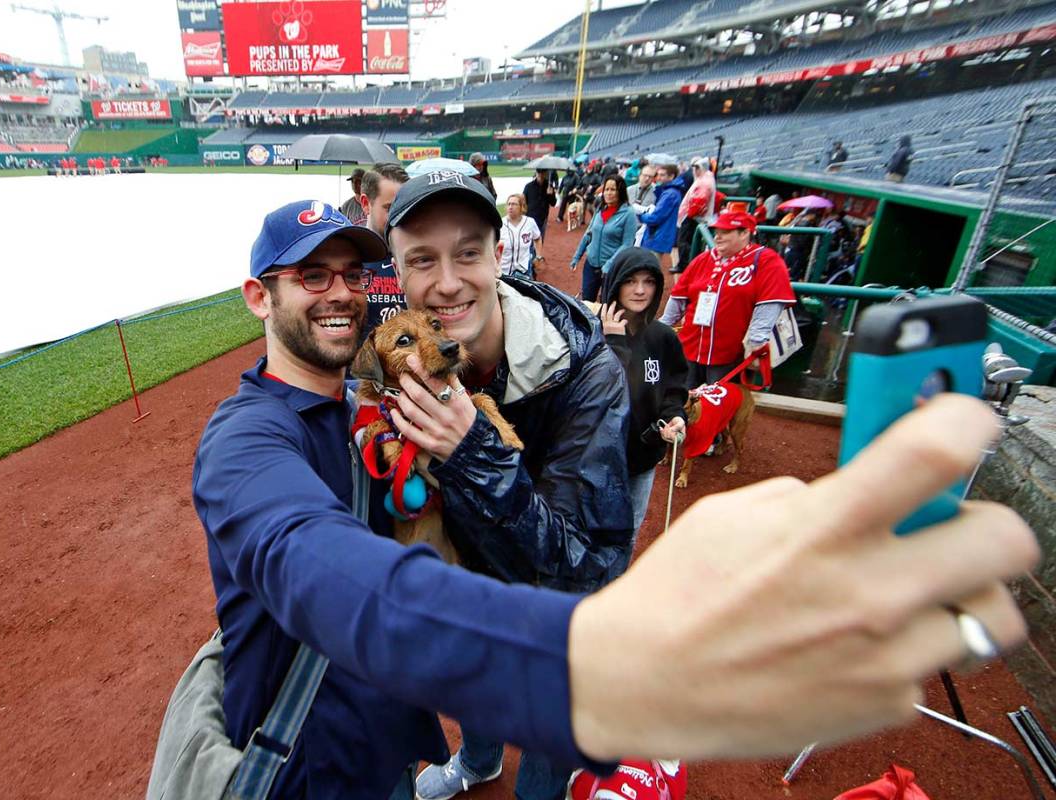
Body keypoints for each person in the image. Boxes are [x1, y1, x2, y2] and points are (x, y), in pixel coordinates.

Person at [179, 199, 1038, 800]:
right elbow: (321, 567)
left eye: (350, 275)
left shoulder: (378, 402)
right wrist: (588, 665)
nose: (337, 293)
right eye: (308, 278)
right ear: (260, 296)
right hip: (301, 767)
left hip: (386, 745)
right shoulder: (245, 440)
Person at [386, 172, 633, 799]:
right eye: (422, 260)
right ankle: (479, 761)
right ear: (399, 275)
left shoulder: (587, 375)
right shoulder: (405, 363)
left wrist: (473, 450)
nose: (446, 281)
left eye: (468, 252)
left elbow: (587, 568)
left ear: (501, 254)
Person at [596, 248, 689, 534]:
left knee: (631, 525)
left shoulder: (663, 337)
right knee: (593, 527)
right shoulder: (591, 333)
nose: (640, 290)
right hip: (596, 457)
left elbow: (674, 387)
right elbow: (602, 391)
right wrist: (614, 344)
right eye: (630, 281)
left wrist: (674, 415)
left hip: (643, 454)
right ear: (616, 283)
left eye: (649, 281)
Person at [660, 208, 796, 388]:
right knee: (680, 403)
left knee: (719, 409)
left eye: (725, 232)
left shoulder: (765, 261)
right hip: (690, 349)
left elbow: (771, 302)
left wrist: (756, 342)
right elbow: (678, 297)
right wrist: (660, 329)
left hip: (729, 356)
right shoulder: (704, 259)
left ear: (745, 233)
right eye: (717, 232)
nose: (717, 237)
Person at [357, 162, 410, 340]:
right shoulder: (349, 254)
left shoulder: (417, 255)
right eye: (389, 208)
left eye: (404, 207)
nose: (398, 217)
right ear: (366, 204)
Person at [571, 174, 637, 303]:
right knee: (587, 302)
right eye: (606, 189)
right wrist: (577, 256)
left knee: (608, 303)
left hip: (612, 268)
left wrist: (609, 264)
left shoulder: (628, 213)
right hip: (591, 264)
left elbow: (627, 244)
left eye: (613, 189)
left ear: (621, 191)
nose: (608, 193)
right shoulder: (600, 209)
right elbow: (588, 234)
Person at [636, 162, 686, 273]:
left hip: (657, 236)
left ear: (671, 176)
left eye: (662, 175)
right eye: (658, 174)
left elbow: (656, 217)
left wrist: (640, 215)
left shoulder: (670, 194)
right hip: (659, 235)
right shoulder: (670, 191)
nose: (658, 177)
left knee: (647, 270)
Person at [675, 157, 722, 266]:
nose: (695, 170)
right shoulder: (705, 178)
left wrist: (690, 214)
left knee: (685, 241)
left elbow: (699, 201)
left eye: (697, 167)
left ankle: (685, 264)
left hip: (694, 216)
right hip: (698, 216)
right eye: (694, 168)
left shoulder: (704, 181)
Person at [500, 192, 545, 278]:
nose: (510, 207)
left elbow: (538, 238)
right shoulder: (500, 224)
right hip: (504, 273)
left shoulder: (530, 222)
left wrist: (538, 256)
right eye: (509, 204)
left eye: (514, 204)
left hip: (524, 271)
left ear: (521, 207)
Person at [522, 168, 557, 239]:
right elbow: (523, 201)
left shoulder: (549, 187)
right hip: (530, 217)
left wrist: (551, 194)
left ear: (546, 173)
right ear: (536, 172)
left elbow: (553, 203)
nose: (540, 174)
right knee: (529, 241)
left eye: (543, 172)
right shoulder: (528, 186)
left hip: (542, 218)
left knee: (540, 240)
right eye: (539, 172)